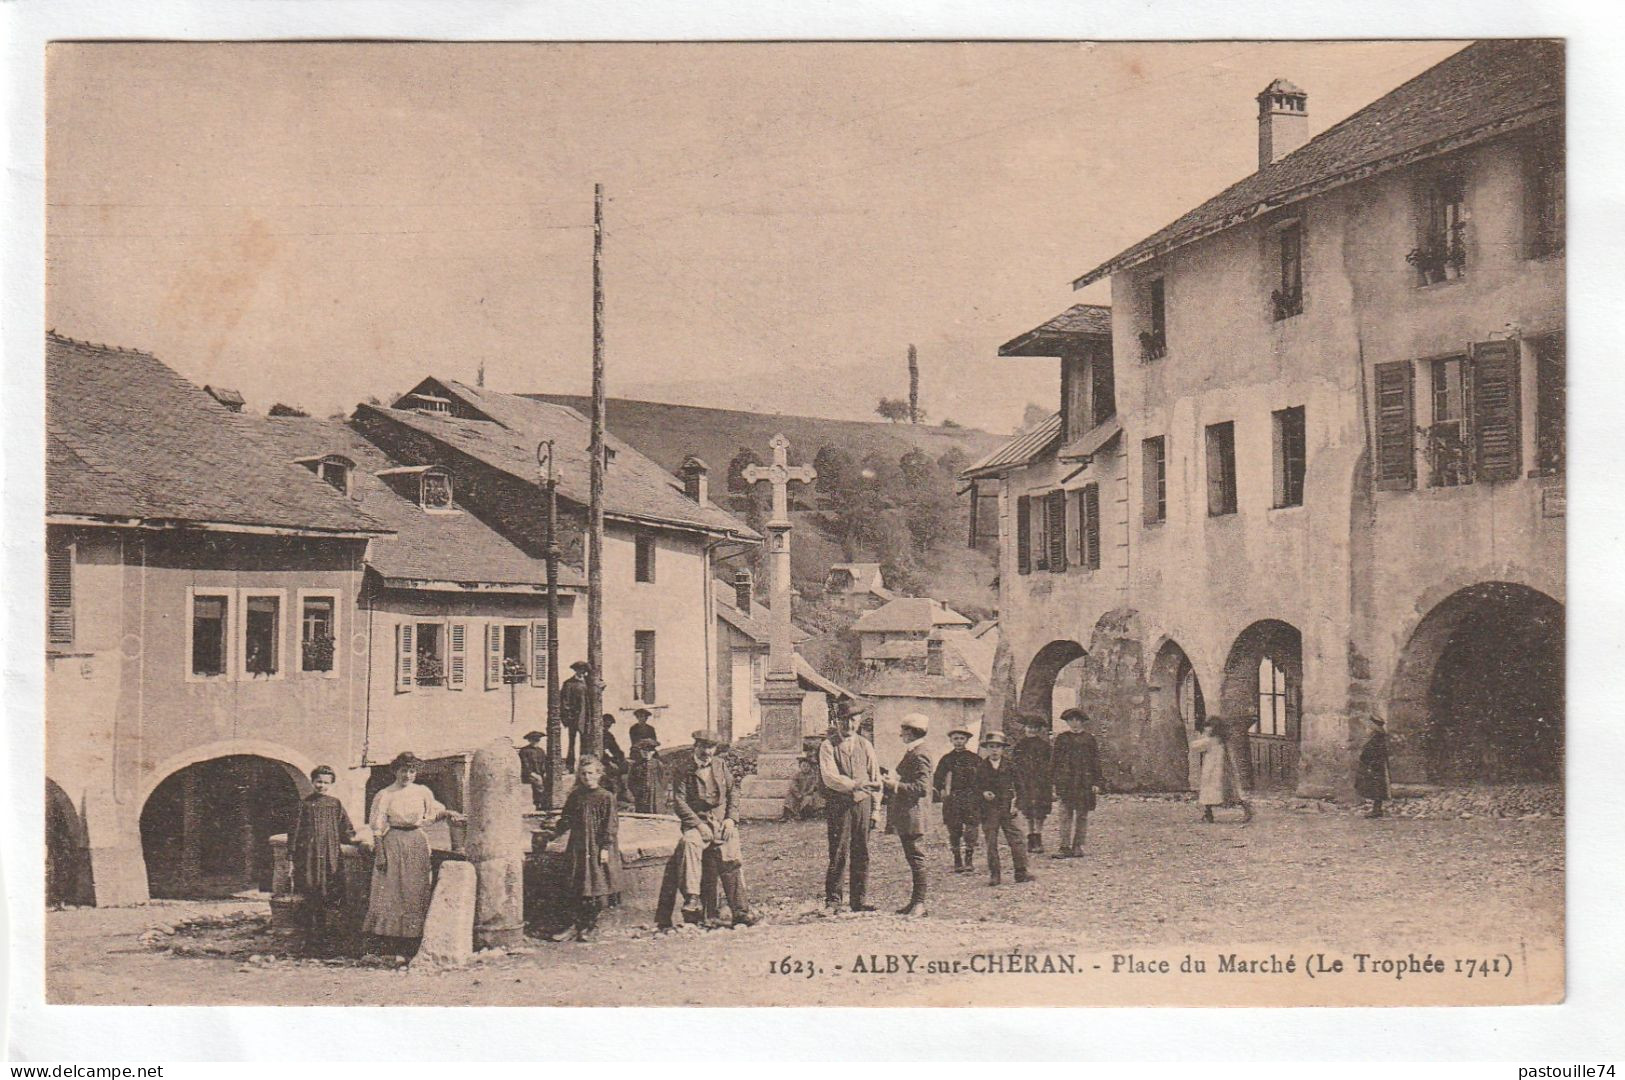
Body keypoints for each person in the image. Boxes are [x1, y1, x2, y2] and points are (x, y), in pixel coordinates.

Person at [362, 752, 462, 953]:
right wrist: (381, 854)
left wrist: (447, 813)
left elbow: (432, 815)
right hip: (393, 842)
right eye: (403, 770)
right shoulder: (385, 794)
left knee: (415, 888)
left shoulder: (422, 792)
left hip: (416, 841)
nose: (407, 775)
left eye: (411, 770)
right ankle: (388, 939)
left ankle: (412, 938)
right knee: (391, 889)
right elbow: (377, 827)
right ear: (395, 771)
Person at [670, 730, 755, 926]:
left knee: (731, 852)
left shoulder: (720, 765)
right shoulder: (684, 769)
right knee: (689, 843)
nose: (707, 752)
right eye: (703, 747)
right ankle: (693, 898)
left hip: (720, 822)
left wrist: (731, 819)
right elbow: (679, 801)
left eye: (711, 748)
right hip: (697, 823)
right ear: (696, 747)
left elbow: (733, 791)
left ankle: (740, 910)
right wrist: (698, 825)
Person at [544, 755, 623, 942]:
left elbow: (611, 825)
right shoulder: (576, 796)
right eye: (583, 774)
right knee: (575, 885)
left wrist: (605, 848)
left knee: (595, 886)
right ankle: (573, 926)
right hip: (578, 847)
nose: (587, 777)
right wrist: (551, 833)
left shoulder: (606, 797)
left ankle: (591, 926)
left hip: (596, 847)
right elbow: (566, 820)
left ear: (598, 774)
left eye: (590, 773)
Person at [819, 703, 882, 912]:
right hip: (840, 806)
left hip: (863, 804)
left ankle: (859, 900)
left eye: (854, 720)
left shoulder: (865, 745)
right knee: (838, 852)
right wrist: (854, 784)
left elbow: (875, 777)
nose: (849, 724)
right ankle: (833, 900)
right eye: (845, 720)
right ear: (837, 721)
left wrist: (876, 809)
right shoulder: (828, 746)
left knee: (861, 851)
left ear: (859, 721)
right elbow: (830, 778)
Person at [289, 764, 355, 956]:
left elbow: (346, 829)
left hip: (330, 858)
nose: (322, 786)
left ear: (331, 784)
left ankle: (328, 940)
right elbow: (294, 832)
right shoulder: (304, 804)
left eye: (326, 783)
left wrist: (354, 839)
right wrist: (292, 855)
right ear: (312, 782)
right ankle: (310, 941)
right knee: (310, 895)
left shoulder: (335, 804)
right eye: (318, 782)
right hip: (309, 859)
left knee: (330, 895)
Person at [882, 714, 933, 916]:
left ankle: (920, 903)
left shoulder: (920, 754)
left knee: (917, 858)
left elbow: (922, 788)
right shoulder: (913, 752)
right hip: (908, 814)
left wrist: (895, 785)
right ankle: (914, 903)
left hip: (914, 815)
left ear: (912, 732)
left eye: (903, 730)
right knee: (913, 858)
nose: (900, 734)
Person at [976, 731, 1035, 886]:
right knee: (991, 842)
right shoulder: (981, 767)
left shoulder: (1010, 766)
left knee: (1017, 839)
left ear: (1003, 749)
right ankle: (995, 874)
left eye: (998, 747)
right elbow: (975, 788)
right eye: (991, 747)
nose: (994, 750)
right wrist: (983, 793)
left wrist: (1017, 805)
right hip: (989, 810)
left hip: (1008, 808)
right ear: (986, 749)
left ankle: (1021, 872)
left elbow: (1020, 788)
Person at [1050, 708, 1101, 858]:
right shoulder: (1062, 739)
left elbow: (1095, 762)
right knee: (1065, 814)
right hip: (1066, 782)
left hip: (1084, 782)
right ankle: (1064, 846)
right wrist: (1053, 782)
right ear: (1067, 722)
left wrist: (1097, 782)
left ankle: (1078, 845)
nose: (1074, 723)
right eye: (1070, 720)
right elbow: (1054, 761)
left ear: (1082, 721)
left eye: (1077, 720)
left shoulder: (1089, 739)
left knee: (1082, 815)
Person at [933, 725, 982, 873]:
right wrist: (941, 789)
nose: (959, 741)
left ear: (967, 740)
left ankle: (969, 859)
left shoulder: (974, 758)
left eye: (962, 738)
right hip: (953, 798)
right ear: (951, 740)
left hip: (971, 798)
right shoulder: (947, 759)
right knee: (954, 829)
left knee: (971, 828)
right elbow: (937, 778)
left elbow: (983, 777)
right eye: (956, 739)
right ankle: (957, 860)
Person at [1192, 717, 1254, 824]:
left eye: (1209, 727)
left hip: (1213, 771)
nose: (1207, 729)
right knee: (1229, 791)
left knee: (1209, 792)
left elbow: (1195, 746)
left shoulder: (1210, 740)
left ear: (1213, 729)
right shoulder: (1223, 740)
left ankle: (1208, 814)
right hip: (1223, 769)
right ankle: (1246, 809)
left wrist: (1199, 736)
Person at [1012, 714, 1055, 852]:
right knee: (1028, 809)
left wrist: (1049, 780)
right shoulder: (1020, 745)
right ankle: (1031, 837)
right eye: (1029, 727)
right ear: (1025, 728)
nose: (1031, 730)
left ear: (1039, 730)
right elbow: (1015, 764)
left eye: (1035, 728)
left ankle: (1038, 835)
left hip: (1041, 782)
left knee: (1040, 810)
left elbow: (1050, 764)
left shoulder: (1045, 746)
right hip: (1025, 782)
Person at [1355, 715, 1392, 819]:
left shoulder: (1376, 739)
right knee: (1376, 788)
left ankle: (1377, 811)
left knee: (1377, 789)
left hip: (1375, 767)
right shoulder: (1376, 738)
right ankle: (1376, 809)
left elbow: (1374, 753)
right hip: (1375, 766)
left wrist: (1370, 764)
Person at [559, 661, 590, 767]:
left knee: (585, 742)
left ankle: (584, 765)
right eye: (579, 670)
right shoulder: (569, 684)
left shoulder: (588, 683)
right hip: (574, 718)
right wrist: (568, 717)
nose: (581, 672)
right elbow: (564, 702)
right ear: (575, 670)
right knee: (572, 742)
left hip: (586, 717)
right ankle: (570, 765)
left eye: (583, 670)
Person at [785, 749, 826, 820]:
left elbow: (814, 785)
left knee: (809, 799)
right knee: (790, 797)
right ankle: (788, 814)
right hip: (798, 794)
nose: (805, 768)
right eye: (803, 766)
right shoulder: (797, 775)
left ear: (810, 767)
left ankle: (804, 814)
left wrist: (807, 793)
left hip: (809, 794)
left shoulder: (813, 775)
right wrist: (798, 794)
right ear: (800, 767)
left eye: (807, 766)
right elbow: (793, 785)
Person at [599, 713, 630, 805]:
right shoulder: (596, 735)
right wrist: (609, 761)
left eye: (609, 726)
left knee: (624, 765)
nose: (607, 727)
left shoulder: (609, 735)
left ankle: (622, 792)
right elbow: (600, 752)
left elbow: (615, 749)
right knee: (611, 770)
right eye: (605, 725)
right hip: (599, 759)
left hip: (606, 759)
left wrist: (621, 758)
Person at [628, 737, 665, 814]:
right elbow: (631, 782)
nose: (648, 754)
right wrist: (636, 794)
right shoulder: (636, 766)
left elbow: (662, 779)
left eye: (650, 751)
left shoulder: (658, 764)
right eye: (645, 751)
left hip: (655, 797)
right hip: (641, 797)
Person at [518, 731, 548, 810]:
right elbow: (524, 765)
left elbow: (544, 764)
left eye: (537, 740)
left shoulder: (541, 751)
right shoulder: (524, 751)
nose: (535, 742)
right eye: (533, 740)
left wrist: (544, 773)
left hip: (540, 774)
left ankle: (545, 803)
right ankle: (538, 804)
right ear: (529, 740)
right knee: (538, 782)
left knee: (547, 782)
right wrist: (532, 773)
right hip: (528, 775)